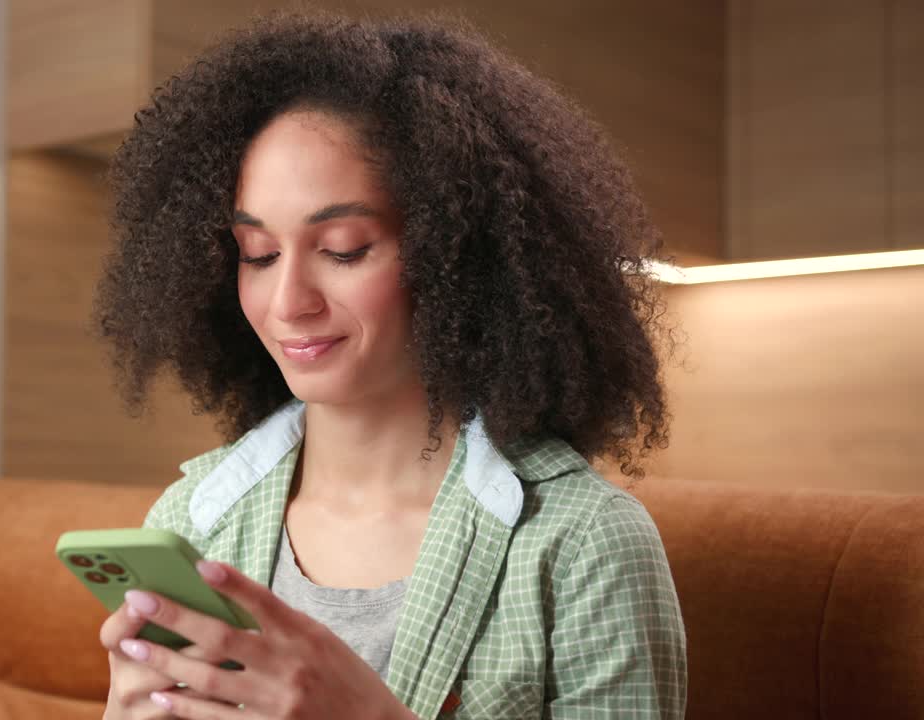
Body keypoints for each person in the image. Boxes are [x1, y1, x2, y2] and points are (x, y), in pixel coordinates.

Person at [92, 10, 686, 720]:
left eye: (343, 248)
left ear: (456, 253)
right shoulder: (191, 521)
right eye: (257, 255)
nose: (288, 303)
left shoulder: (583, 543)